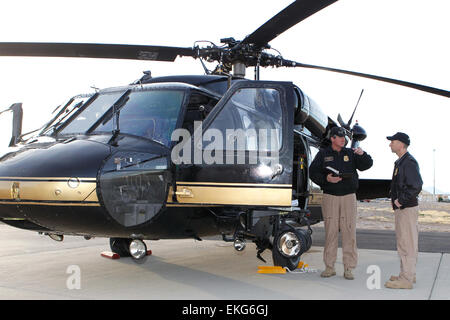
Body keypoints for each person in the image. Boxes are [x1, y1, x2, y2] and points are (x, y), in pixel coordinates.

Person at [309, 126, 373, 280]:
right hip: (330, 196)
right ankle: (329, 267)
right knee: (330, 232)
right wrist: (327, 179)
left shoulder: (351, 153)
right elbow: (312, 172)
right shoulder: (323, 154)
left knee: (349, 232)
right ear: (332, 139)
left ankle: (349, 268)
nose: (343, 139)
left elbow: (367, 165)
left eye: (344, 136)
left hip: (348, 197)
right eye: (339, 136)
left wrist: (362, 154)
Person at [384, 132, 423, 289]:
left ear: (401, 144)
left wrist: (401, 200)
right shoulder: (401, 162)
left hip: (406, 209)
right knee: (405, 242)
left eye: (392, 141)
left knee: (407, 243)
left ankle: (406, 279)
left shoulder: (409, 162)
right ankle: (407, 274)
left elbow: (416, 185)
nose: (390, 144)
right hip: (403, 209)